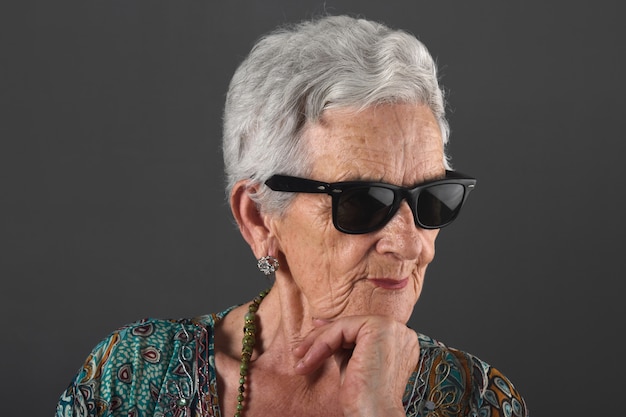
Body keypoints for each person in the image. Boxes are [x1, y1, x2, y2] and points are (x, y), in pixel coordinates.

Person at [56, 14, 528, 417]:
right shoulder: (133, 377)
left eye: (432, 198)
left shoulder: (479, 400)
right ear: (259, 218)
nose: (411, 244)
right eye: (362, 201)